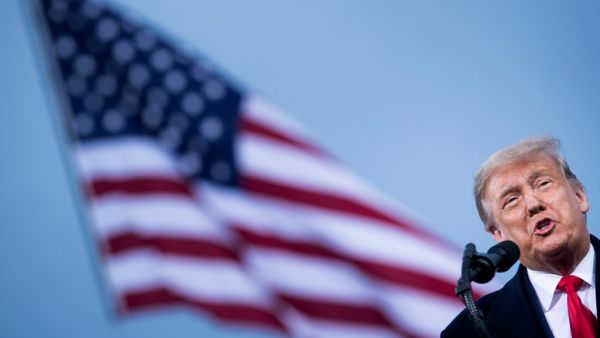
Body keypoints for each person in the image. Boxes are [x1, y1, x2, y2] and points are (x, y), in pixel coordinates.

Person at [442, 136, 598, 338]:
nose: (533, 204)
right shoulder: (470, 332)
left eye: (543, 183)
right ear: (498, 233)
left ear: (580, 197)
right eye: (512, 199)